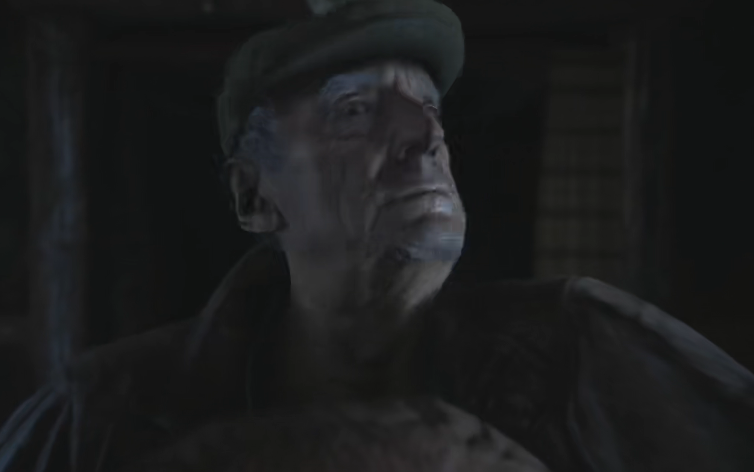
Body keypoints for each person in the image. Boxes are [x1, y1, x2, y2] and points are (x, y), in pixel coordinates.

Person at [2, 0, 754, 471]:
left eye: (431, 109)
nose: (426, 137)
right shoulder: (99, 413)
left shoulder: (583, 351)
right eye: (355, 110)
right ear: (253, 196)